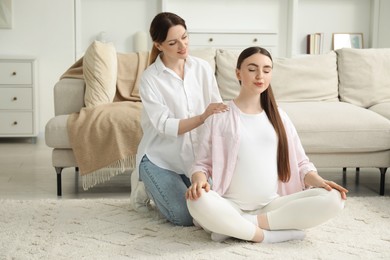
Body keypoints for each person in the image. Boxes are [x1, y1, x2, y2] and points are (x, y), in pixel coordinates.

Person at [186, 46, 348, 243]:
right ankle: (266, 236)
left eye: (266, 69)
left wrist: (320, 181)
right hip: (230, 204)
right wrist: (198, 181)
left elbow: (301, 164)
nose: (259, 75)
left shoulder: (279, 116)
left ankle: (240, 225)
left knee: (334, 198)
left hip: (273, 205)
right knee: (196, 201)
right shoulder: (220, 115)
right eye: (252, 69)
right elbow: (202, 164)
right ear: (238, 73)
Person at [130, 12, 228, 226]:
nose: (183, 46)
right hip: (161, 159)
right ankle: (146, 183)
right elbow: (165, 126)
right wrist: (203, 116)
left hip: (194, 161)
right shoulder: (150, 79)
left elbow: (217, 112)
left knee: (214, 206)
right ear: (159, 45)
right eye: (173, 42)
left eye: (185, 37)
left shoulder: (201, 68)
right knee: (184, 217)